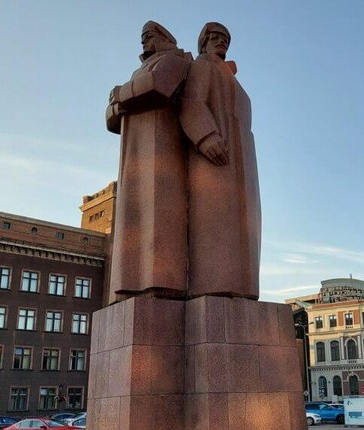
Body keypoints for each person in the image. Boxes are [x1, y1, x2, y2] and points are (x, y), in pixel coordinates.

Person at [106, 21, 192, 302]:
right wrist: (121, 98)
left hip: (162, 146)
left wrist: (121, 94)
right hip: (134, 151)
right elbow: (111, 118)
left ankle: (160, 280)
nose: (144, 42)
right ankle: (130, 284)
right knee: (133, 217)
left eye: (149, 36)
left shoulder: (173, 60)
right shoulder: (138, 71)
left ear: (165, 37)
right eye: (142, 37)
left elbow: (158, 86)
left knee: (159, 212)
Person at [179, 22, 261, 300]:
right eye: (214, 37)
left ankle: (243, 290)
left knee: (245, 227)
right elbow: (191, 102)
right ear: (203, 42)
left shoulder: (232, 77)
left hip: (243, 163)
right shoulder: (203, 65)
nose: (221, 42)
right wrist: (206, 136)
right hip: (215, 157)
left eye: (225, 38)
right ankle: (213, 287)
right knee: (216, 221)